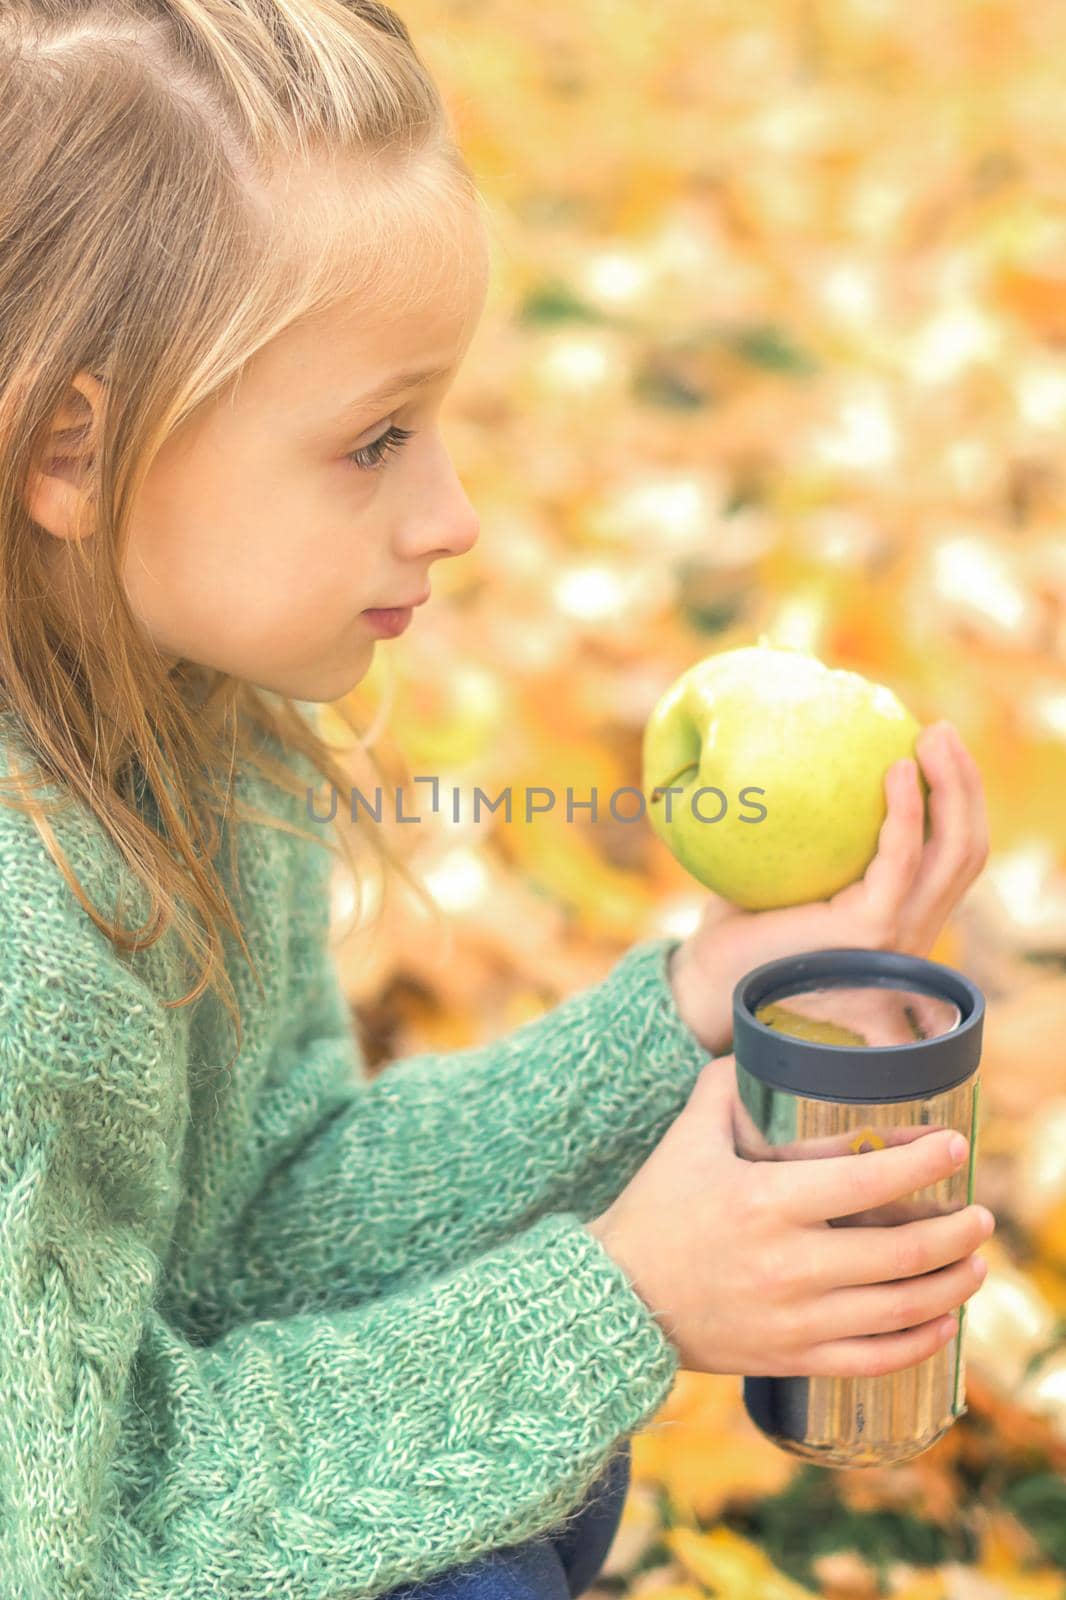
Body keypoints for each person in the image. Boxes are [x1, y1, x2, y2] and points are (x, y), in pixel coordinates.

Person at [0, 3, 996, 1596]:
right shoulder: (18, 937)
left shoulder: (202, 725)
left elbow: (256, 1231)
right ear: (71, 448)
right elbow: (61, 1544)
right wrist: (619, 1301)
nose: (453, 514)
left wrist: (685, 1005)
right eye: (375, 440)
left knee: (533, 1490)